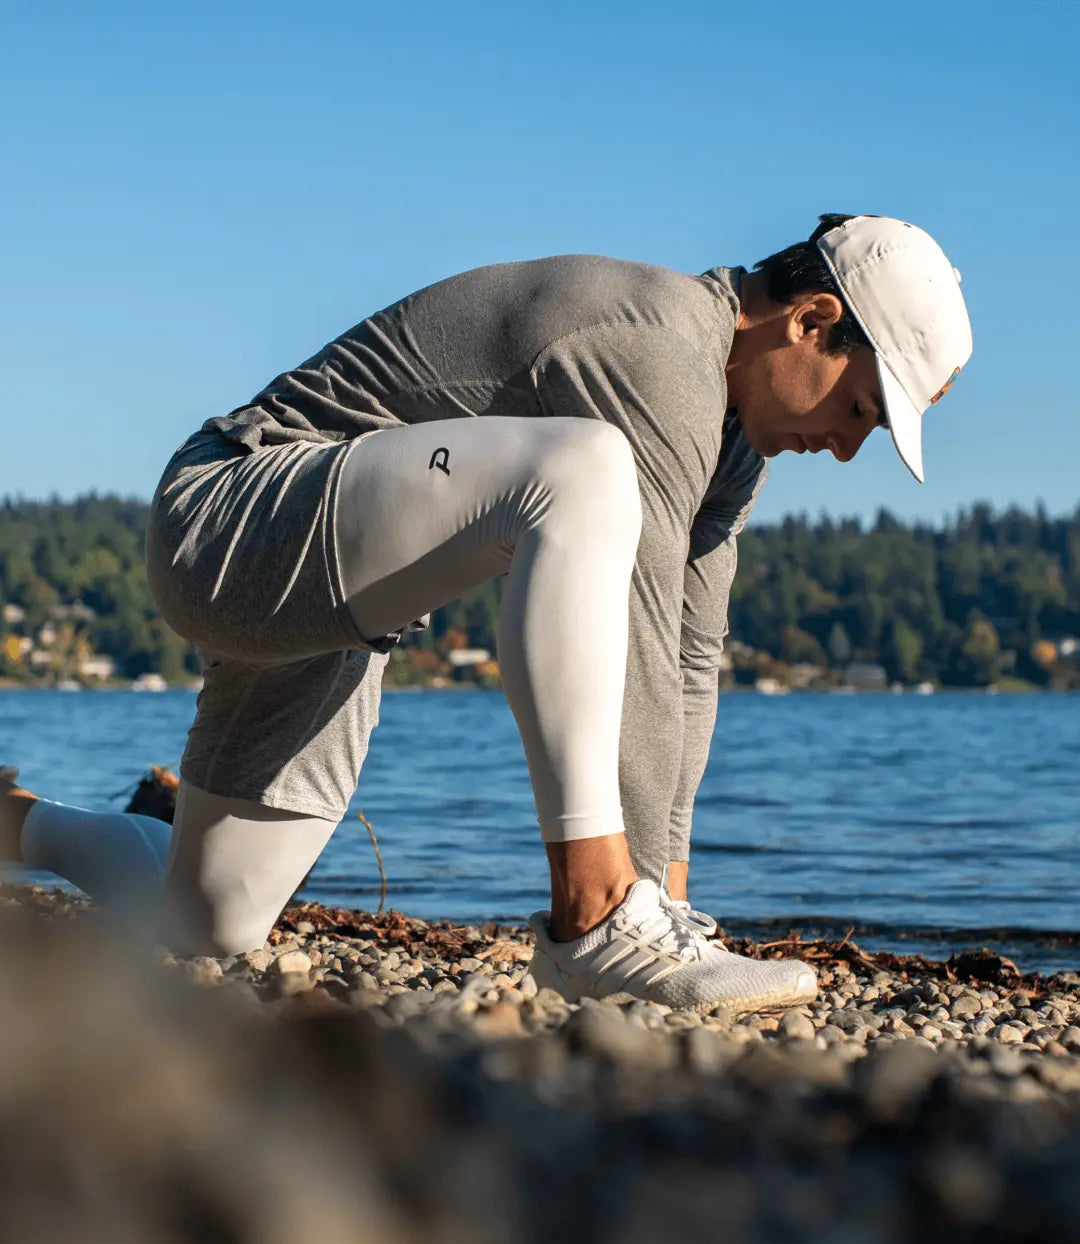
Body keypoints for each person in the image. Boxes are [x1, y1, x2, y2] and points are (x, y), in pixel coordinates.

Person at [0, 213, 972, 1014]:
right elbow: (631, 620)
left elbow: (682, 655)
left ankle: (17, 827)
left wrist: (670, 899)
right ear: (811, 319)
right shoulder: (659, 352)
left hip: (333, 603)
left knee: (209, 919)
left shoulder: (734, 438)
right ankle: (592, 914)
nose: (849, 449)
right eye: (862, 411)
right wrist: (622, 901)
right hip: (234, 513)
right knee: (583, 471)